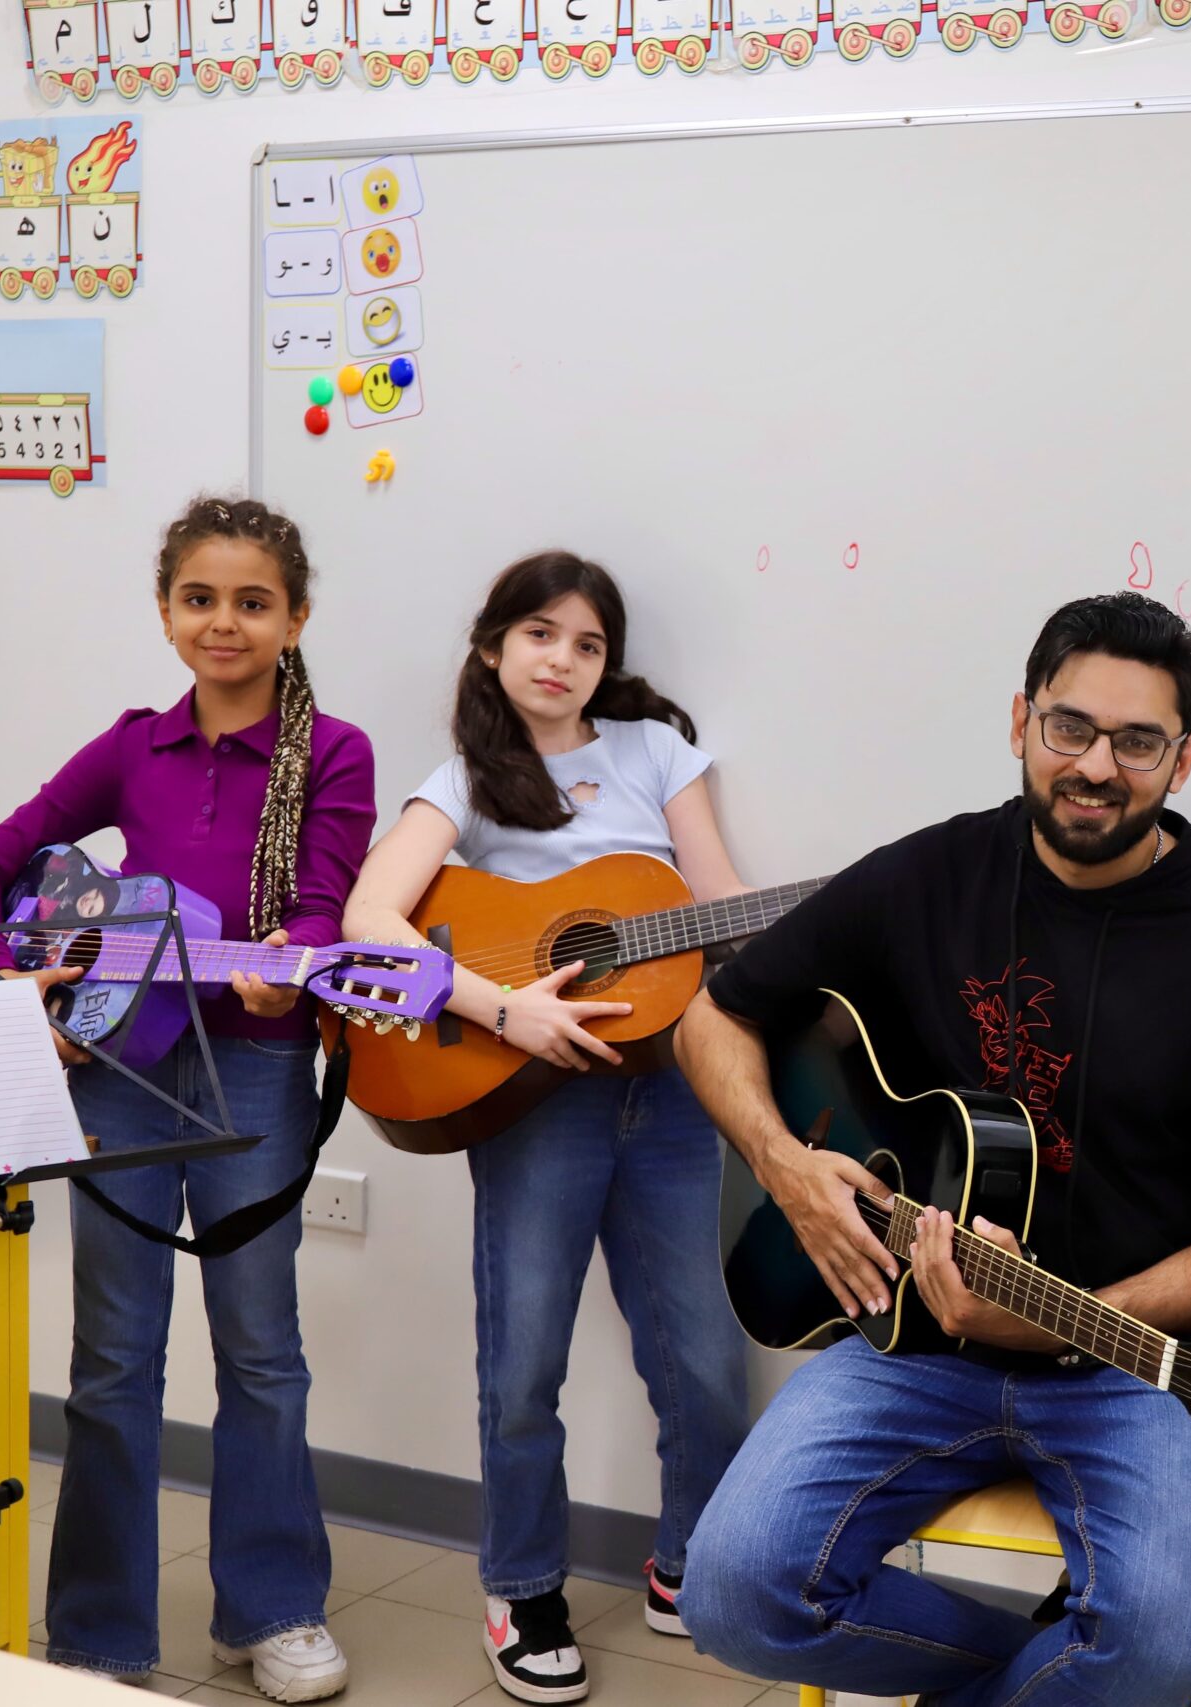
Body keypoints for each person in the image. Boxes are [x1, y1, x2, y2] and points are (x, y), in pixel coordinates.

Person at [673, 591, 1191, 1707]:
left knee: (1160, 1649)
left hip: (1145, 1367)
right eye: (1070, 727)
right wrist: (786, 1168)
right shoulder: (928, 874)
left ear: (1184, 758)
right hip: (919, 1349)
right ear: (1021, 721)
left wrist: (1075, 1315)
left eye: (1138, 742)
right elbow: (711, 1018)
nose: (1096, 766)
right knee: (732, 1595)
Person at [0, 496, 374, 1701]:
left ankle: (273, 1609)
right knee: (112, 1360)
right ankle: (96, 1636)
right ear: (167, 610)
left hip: (259, 1069)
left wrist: (297, 962)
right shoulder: (131, 746)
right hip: (120, 1074)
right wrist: (13, 976)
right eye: (200, 598)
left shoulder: (332, 750)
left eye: (251, 601)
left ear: (295, 616)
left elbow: (323, 908)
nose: (223, 622)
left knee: (263, 1352)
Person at [338, 552, 751, 1704]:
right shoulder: (465, 779)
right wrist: (500, 1005)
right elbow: (370, 916)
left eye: (586, 644)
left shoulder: (658, 754)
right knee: (524, 1365)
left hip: (667, 1091)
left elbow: (721, 905)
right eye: (539, 635)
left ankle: (689, 1566)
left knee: (709, 1359)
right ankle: (521, 1587)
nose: (561, 661)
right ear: (490, 647)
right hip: (528, 1104)